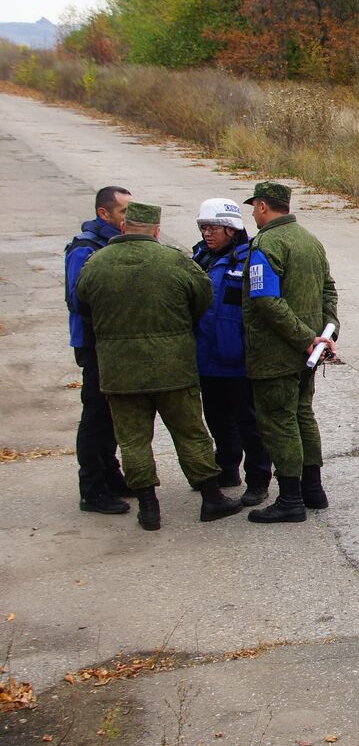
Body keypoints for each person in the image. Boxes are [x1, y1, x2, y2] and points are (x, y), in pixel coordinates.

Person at [75, 202, 243, 531]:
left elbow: (82, 304)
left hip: (120, 372)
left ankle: (149, 508)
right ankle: (211, 498)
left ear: (124, 228)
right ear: (155, 230)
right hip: (173, 368)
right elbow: (202, 298)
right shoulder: (175, 261)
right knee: (191, 434)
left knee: (134, 440)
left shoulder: (96, 265)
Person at [242, 182, 339, 524]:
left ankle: (290, 499)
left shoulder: (266, 244)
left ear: (264, 206)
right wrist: (327, 332)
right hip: (307, 353)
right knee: (302, 415)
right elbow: (329, 289)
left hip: (277, 354)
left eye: (254, 206)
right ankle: (314, 490)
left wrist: (304, 339)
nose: (253, 213)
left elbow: (266, 300)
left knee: (279, 421)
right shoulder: (309, 240)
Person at [192, 198, 273, 506]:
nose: (207, 234)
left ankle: (258, 480)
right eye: (203, 227)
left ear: (231, 228)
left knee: (250, 424)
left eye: (212, 227)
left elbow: (264, 306)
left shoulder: (251, 258)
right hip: (207, 359)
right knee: (216, 418)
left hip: (239, 361)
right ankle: (227, 469)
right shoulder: (199, 257)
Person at [64, 185, 134, 514]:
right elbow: (79, 300)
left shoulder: (114, 244)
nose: (128, 218)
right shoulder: (85, 249)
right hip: (95, 344)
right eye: (123, 212)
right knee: (95, 418)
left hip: (115, 345)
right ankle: (92, 489)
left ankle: (111, 475)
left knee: (110, 416)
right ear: (104, 213)